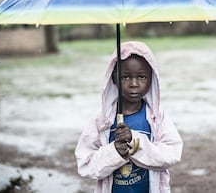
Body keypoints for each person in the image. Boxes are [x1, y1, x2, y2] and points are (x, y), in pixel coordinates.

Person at [75, 41, 183, 193]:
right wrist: (114, 152)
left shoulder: (156, 116)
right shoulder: (103, 119)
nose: (134, 84)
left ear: (152, 78)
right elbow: (85, 165)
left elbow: (172, 154)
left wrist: (135, 142)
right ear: (114, 78)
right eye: (125, 77)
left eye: (142, 77)